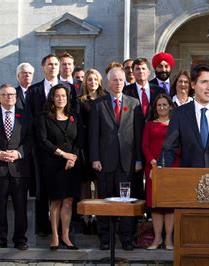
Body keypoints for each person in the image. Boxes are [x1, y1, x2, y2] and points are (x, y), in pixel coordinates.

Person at [89, 66, 144, 251]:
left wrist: (138, 160)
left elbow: (138, 135)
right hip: (104, 162)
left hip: (127, 163)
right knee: (105, 202)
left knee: (126, 204)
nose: (118, 83)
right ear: (108, 82)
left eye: (121, 80)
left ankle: (127, 239)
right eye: (115, 80)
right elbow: (93, 135)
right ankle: (105, 239)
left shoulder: (134, 103)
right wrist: (95, 158)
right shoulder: (98, 104)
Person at [27, 53, 78, 237]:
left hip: (67, 153)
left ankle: (66, 230)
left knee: (67, 196)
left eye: (56, 64)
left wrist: (72, 154)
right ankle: (43, 227)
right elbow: (30, 120)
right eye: (49, 64)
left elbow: (75, 120)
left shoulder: (70, 88)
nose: (53, 67)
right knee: (44, 191)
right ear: (43, 67)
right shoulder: (33, 91)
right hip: (42, 151)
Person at [0, 84, 33, 251]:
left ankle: (20, 239)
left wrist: (18, 153)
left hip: (19, 169)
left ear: (16, 97)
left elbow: (31, 139)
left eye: (12, 94)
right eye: (5, 94)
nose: (9, 97)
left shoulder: (25, 116)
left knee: (20, 206)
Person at [36, 84, 82, 251]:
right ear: (52, 98)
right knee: (55, 201)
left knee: (68, 201)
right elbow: (43, 140)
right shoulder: (44, 116)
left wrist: (73, 157)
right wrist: (64, 155)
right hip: (52, 164)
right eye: (57, 96)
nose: (61, 98)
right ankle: (55, 236)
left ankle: (66, 236)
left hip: (71, 165)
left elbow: (80, 140)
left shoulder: (74, 115)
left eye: (64, 95)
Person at [123, 58, 165, 202]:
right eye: (137, 69)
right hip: (132, 142)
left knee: (154, 179)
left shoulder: (158, 90)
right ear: (133, 72)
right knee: (135, 180)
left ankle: (151, 212)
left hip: (153, 142)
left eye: (143, 68)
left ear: (148, 72)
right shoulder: (126, 91)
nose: (140, 71)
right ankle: (137, 216)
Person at [142, 94, 178, 250]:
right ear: (155, 108)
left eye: (164, 104)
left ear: (170, 106)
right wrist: (153, 161)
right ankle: (156, 239)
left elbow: (180, 145)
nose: (162, 107)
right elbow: (144, 146)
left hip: (172, 168)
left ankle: (168, 240)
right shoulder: (149, 125)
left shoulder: (176, 125)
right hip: (153, 168)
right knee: (156, 206)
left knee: (169, 206)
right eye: (159, 105)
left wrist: (168, 164)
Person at [78, 69, 107, 234]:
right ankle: (86, 218)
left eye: (95, 79)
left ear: (100, 81)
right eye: (89, 79)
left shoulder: (105, 100)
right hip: (85, 147)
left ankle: (99, 217)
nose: (92, 82)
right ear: (85, 82)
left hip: (101, 147)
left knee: (99, 184)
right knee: (85, 185)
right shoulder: (79, 101)